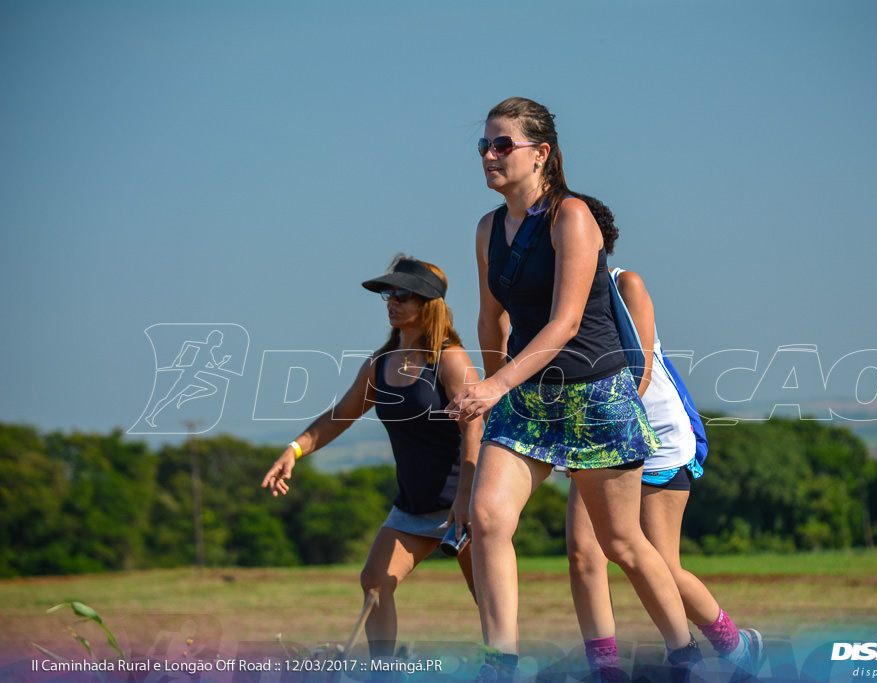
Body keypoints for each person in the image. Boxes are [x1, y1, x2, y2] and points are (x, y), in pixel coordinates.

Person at [446, 97, 700, 682]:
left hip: (594, 395)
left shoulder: (572, 217)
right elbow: (492, 320)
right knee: (486, 519)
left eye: (502, 144)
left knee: (621, 544)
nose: (489, 155)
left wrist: (496, 384)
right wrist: (494, 390)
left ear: (542, 154)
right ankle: (500, 662)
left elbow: (562, 324)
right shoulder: (488, 229)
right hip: (527, 399)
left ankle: (684, 657)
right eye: (483, 145)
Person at [566, 195, 763, 682]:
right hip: (592, 434)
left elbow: (643, 370)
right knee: (583, 552)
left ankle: (734, 646)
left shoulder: (623, 284)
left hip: (652, 434)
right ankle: (605, 669)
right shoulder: (551, 302)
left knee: (658, 563)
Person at [261, 255, 481, 670]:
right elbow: (339, 416)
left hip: (464, 504)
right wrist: (293, 450)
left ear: (427, 302)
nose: (390, 302)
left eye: (401, 294)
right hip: (413, 506)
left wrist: (467, 500)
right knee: (375, 582)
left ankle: (505, 669)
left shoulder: (449, 359)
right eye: (387, 293)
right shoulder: (379, 366)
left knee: (488, 599)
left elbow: (475, 428)